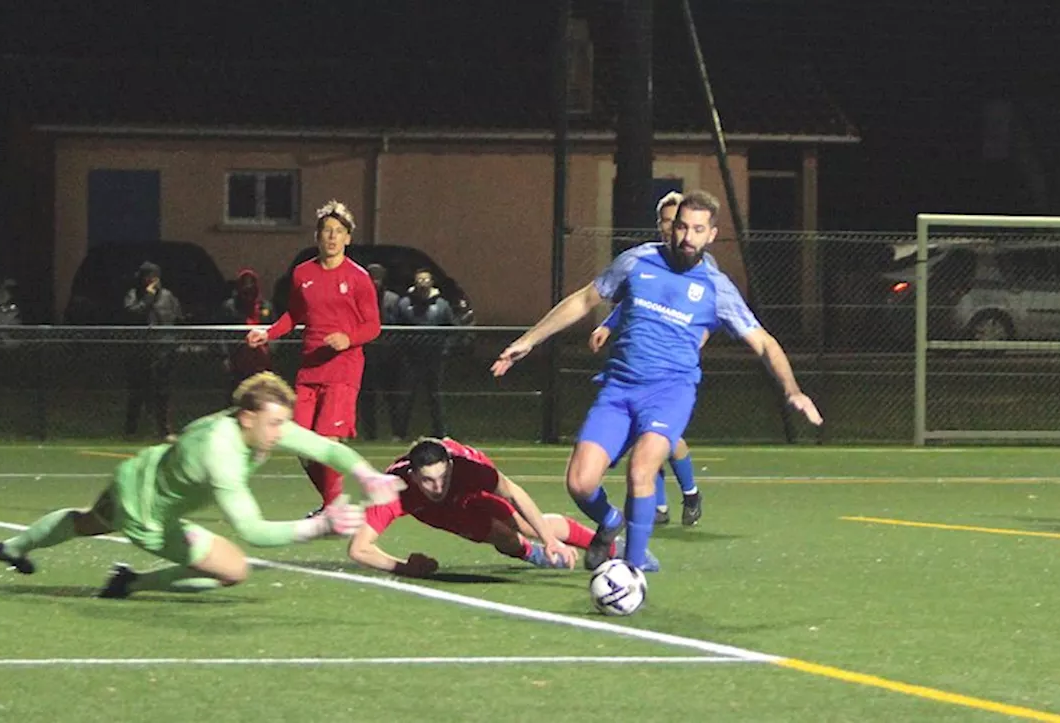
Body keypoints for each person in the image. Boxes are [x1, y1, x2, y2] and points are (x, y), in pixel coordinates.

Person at [492, 190, 823, 574]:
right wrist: (528, 341)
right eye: (682, 226)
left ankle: (632, 567)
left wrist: (792, 389)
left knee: (641, 470)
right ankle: (611, 522)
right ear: (672, 225)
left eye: (698, 230)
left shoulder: (717, 288)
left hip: (670, 393)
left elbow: (763, 342)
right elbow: (584, 300)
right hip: (618, 389)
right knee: (580, 484)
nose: (687, 236)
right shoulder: (637, 261)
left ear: (711, 235)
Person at [0, 371, 406, 599]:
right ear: (248, 418)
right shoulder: (220, 455)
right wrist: (320, 527)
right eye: (275, 423)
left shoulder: (256, 426)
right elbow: (252, 531)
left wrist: (367, 474)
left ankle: (14, 547)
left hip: (135, 474)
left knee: (86, 522)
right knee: (234, 570)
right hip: (149, 516)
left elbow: (325, 449)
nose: (282, 432)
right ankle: (131, 582)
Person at [246, 200, 381, 514]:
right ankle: (334, 505)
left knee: (326, 442)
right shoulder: (302, 274)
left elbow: (373, 326)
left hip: (344, 370)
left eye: (338, 231)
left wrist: (348, 338)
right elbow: (294, 314)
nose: (332, 237)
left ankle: (334, 508)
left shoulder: (358, 278)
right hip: (310, 370)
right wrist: (268, 333)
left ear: (348, 238)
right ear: (317, 237)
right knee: (300, 444)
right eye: (326, 231)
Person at [587, 191, 704, 526]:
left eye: (677, 222)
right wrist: (608, 326)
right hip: (640, 363)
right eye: (666, 222)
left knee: (667, 439)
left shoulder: (700, 266)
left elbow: (708, 313)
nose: (672, 229)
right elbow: (633, 302)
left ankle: (691, 491)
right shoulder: (648, 260)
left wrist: (692, 344)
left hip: (673, 368)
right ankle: (660, 506)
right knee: (644, 435)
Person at [349, 437, 604, 577]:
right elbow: (359, 549)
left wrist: (550, 540)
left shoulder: (471, 470)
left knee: (525, 525)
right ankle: (533, 555)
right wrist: (405, 568)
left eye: (442, 477)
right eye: (428, 480)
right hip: (432, 511)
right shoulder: (392, 491)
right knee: (497, 534)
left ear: (450, 466)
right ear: (413, 476)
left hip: (467, 489)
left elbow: (514, 493)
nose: (438, 487)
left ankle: (610, 547)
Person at [122, 261, 183, 440]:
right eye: (147, 276)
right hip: (140, 351)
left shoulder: (167, 296)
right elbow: (132, 313)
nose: (151, 280)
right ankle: (131, 429)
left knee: (163, 392)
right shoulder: (133, 295)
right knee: (137, 392)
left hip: (163, 351)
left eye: (154, 276)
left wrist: (174, 342)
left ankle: (164, 429)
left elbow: (178, 318)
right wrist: (147, 298)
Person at [394, 268, 455, 438]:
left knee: (436, 396)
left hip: (434, 358)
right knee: (406, 396)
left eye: (425, 279)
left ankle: (441, 433)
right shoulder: (404, 304)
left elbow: (452, 329)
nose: (422, 283)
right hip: (410, 358)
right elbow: (396, 328)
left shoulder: (442, 305)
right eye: (419, 279)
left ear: (432, 282)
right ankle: (399, 434)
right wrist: (402, 348)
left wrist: (445, 349)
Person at [358, 263, 404, 440]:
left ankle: (397, 433)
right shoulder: (358, 298)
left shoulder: (392, 299)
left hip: (388, 353)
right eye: (371, 277)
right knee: (367, 396)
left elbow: (400, 323)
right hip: (367, 353)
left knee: (392, 396)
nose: (375, 281)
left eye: (378, 277)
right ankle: (370, 434)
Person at [221, 268, 275, 400]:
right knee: (237, 394)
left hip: (261, 359)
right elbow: (221, 334)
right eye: (245, 291)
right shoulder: (230, 307)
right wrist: (224, 356)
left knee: (261, 395)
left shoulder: (266, 307)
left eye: (251, 290)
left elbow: (276, 331)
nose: (248, 295)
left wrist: (271, 350)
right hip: (238, 358)